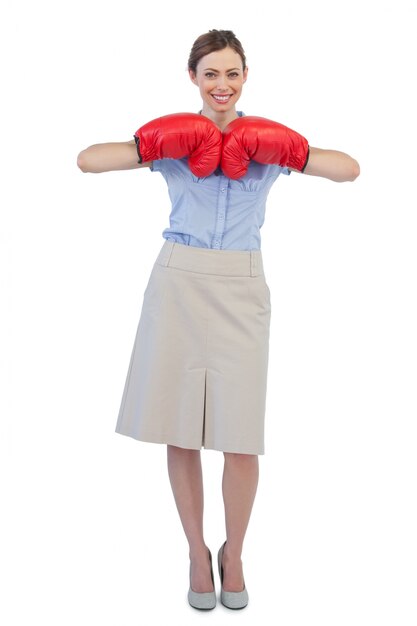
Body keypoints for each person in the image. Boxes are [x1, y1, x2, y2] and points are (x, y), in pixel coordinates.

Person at [77, 29, 360, 611]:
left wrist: (293, 150)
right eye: (210, 74)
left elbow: (350, 169)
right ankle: (194, 552)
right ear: (194, 79)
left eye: (231, 73)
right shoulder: (178, 139)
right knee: (180, 431)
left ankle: (235, 553)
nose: (222, 85)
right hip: (178, 281)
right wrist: (156, 141)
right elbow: (88, 161)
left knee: (239, 438)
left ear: (245, 77)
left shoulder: (267, 141)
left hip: (241, 284)